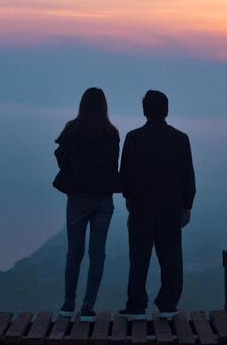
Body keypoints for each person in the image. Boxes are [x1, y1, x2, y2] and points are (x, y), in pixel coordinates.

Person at [117, 89, 196, 319]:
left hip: (140, 208)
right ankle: (168, 305)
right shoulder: (180, 139)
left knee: (139, 258)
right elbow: (188, 177)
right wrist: (187, 206)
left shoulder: (133, 138)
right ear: (167, 110)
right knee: (171, 258)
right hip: (170, 208)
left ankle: (136, 305)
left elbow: (126, 176)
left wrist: (130, 199)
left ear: (144, 111)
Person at [53, 87, 120, 322]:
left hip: (78, 197)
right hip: (102, 198)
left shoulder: (72, 129)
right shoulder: (111, 133)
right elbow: (113, 165)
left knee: (74, 252)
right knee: (97, 254)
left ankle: (68, 304)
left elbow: (61, 159)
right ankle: (88, 307)